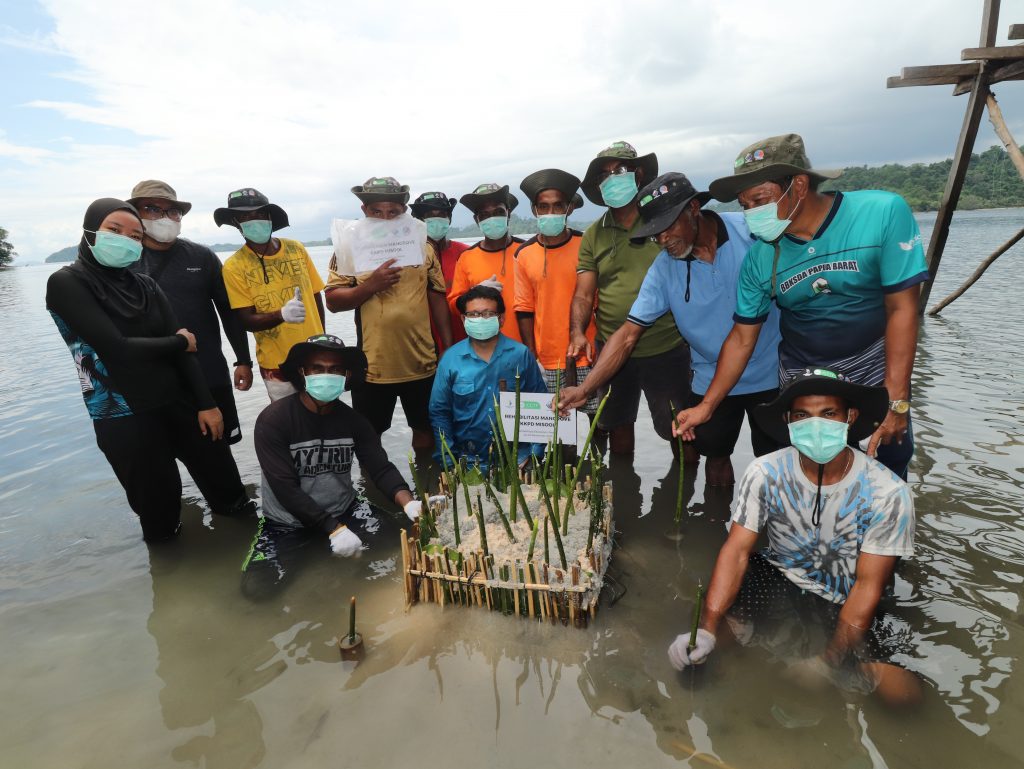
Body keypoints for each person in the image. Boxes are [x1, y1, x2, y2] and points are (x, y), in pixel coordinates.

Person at [674, 134, 929, 479]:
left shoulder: (880, 214)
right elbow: (741, 339)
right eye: (744, 205)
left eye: (759, 200)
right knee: (812, 479)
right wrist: (706, 406)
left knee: (885, 468)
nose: (751, 214)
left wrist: (897, 401)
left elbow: (902, 309)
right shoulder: (760, 258)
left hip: (873, 367)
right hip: (803, 378)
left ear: (798, 184)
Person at [668, 369, 920, 706]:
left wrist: (829, 663)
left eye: (828, 413)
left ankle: (843, 670)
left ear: (851, 417)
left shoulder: (888, 493)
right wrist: (708, 628)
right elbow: (737, 551)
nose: (816, 425)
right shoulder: (765, 472)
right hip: (777, 575)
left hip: (845, 591)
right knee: (696, 654)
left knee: (903, 698)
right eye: (803, 415)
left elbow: (868, 586)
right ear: (788, 421)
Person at [560, 173, 783, 485]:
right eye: (655, 234)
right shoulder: (664, 268)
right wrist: (584, 390)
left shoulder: (750, 232)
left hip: (770, 372)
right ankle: (714, 525)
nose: (663, 240)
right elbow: (627, 335)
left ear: (693, 208)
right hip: (710, 375)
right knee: (715, 457)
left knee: (776, 463)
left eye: (667, 227)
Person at [46, 198, 235, 541]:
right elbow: (116, 349)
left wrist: (207, 403)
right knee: (161, 518)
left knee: (231, 494)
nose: (125, 239)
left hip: (182, 404)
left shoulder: (145, 285)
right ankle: (171, 584)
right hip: (123, 415)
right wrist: (179, 341)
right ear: (90, 231)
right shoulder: (66, 283)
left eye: (135, 235)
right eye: (114, 230)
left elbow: (184, 354)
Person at [243, 334, 423, 597]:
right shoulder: (274, 420)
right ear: (303, 372)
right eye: (318, 368)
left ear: (347, 375)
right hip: (286, 523)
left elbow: (380, 468)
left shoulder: (354, 421)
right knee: (257, 592)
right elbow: (284, 488)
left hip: (346, 509)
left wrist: (408, 502)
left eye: (335, 369)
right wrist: (333, 529)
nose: (326, 375)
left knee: (403, 541)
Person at [570, 141, 691, 455]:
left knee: (680, 428)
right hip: (611, 345)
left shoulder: (661, 223)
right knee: (617, 426)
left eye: (619, 170)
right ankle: (624, 498)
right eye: (605, 175)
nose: (612, 178)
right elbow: (584, 294)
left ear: (638, 174)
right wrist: (578, 332)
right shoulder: (594, 234)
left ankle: (686, 501)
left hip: (665, 345)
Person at [324, 177, 452, 449]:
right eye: (376, 212)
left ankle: (427, 485)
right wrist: (371, 285)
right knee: (370, 436)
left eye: (393, 212)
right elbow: (333, 301)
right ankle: (377, 488)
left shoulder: (423, 246)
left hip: (421, 361)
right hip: (373, 365)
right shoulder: (347, 248)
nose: (385, 218)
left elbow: (437, 296)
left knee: (425, 430)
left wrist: (448, 347)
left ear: (404, 211)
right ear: (364, 211)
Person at [129, 180, 253, 455]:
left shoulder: (202, 256)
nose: (165, 217)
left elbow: (229, 312)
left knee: (219, 451)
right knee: (162, 456)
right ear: (135, 214)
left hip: (209, 373)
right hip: (156, 382)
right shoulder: (126, 261)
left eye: (173, 211)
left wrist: (243, 360)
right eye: (152, 209)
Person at [216, 188, 326, 401]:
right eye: (244, 217)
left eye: (258, 214)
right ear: (236, 223)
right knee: (287, 424)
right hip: (276, 363)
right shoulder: (234, 266)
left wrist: (321, 341)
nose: (253, 220)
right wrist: (281, 314)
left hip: (315, 355)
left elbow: (315, 296)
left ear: (269, 217)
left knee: (324, 417)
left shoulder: (297, 249)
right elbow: (246, 320)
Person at [429, 286, 546, 470]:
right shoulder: (450, 360)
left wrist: (534, 454)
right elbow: (440, 413)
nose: (480, 319)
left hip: (518, 461)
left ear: (501, 319)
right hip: (468, 462)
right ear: (463, 319)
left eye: (487, 314)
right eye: (473, 314)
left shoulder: (520, 355)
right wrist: (449, 460)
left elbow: (541, 405)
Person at [514, 168, 599, 413]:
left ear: (569, 208)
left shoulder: (586, 245)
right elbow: (524, 308)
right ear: (534, 210)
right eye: (543, 207)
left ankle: (598, 454)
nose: (550, 212)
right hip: (548, 358)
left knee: (599, 421)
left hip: (589, 352)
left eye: (557, 206)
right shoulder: (524, 254)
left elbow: (599, 301)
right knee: (556, 426)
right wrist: (532, 355)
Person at [448, 183, 524, 342]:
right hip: (485, 346)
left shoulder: (526, 251)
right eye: (484, 214)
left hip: (528, 348)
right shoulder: (466, 258)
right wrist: (475, 292)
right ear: (477, 220)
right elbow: (454, 306)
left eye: (498, 212)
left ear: (508, 214)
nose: (492, 218)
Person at [410, 190, 469, 345]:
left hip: (465, 343)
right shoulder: (408, 257)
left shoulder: (466, 253)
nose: (436, 220)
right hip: (421, 347)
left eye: (441, 215)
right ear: (417, 221)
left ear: (449, 219)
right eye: (429, 215)